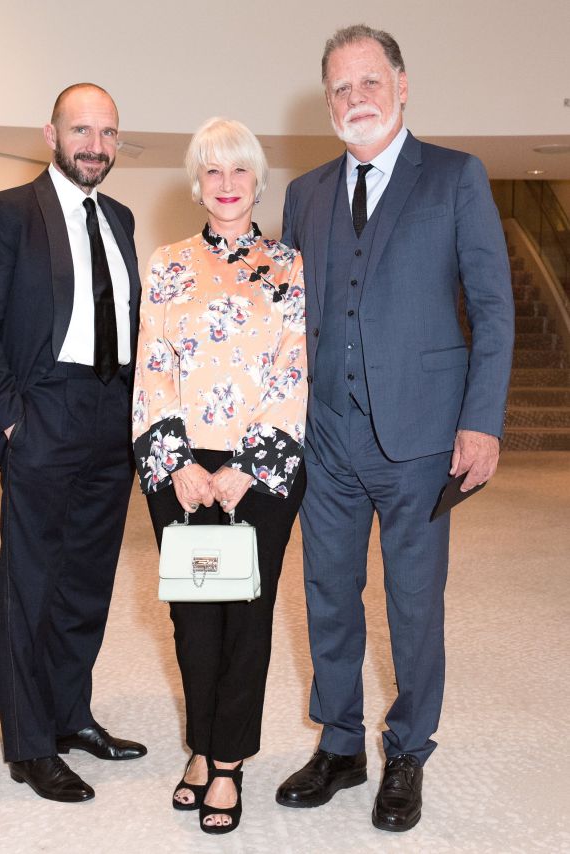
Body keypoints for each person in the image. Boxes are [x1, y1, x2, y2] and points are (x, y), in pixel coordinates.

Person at [275, 25, 514, 832]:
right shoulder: (304, 193)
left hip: (421, 440)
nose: (355, 100)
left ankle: (406, 750)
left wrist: (480, 423)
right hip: (326, 436)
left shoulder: (455, 177)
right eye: (340, 88)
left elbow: (490, 307)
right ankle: (340, 746)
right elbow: (283, 321)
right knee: (327, 597)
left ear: (401, 85)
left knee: (413, 604)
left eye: (369, 82)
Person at [0, 83, 146, 803]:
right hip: (43, 414)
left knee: (86, 583)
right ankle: (31, 746)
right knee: (30, 586)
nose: (95, 145)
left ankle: (71, 717)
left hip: (111, 419)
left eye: (108, 133)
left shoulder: (121, 218)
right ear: (51, 134)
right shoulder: (6, 214)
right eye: (81, 130)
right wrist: (13, 423)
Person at [132, 117, 307, 834]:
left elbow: (291, 370)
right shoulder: (165, 264)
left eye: (239, 172)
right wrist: (176, 466)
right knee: (191, 617)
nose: (226, 185)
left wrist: (246, 469)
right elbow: (152, 368)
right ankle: (200, 747)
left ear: (256, 181)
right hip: (179, 471)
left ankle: (227, 761)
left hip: (259, 472)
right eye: (212, 171)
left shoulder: (289, 264)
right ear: (196, 183)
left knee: (246, 616)